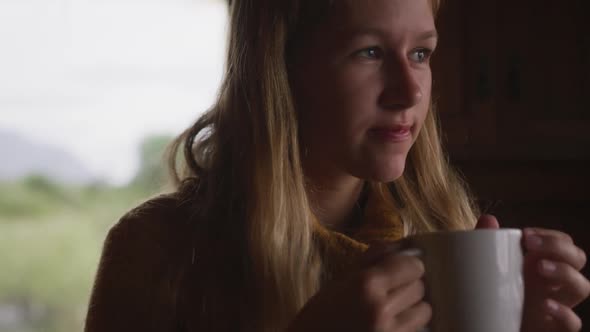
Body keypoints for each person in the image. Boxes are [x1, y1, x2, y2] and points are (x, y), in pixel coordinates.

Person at [84, 0, 590, 331]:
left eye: (420, 53)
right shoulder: (158, 252)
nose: (410, 91)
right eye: (369, 52)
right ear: (279, 69)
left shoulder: (445, 232)